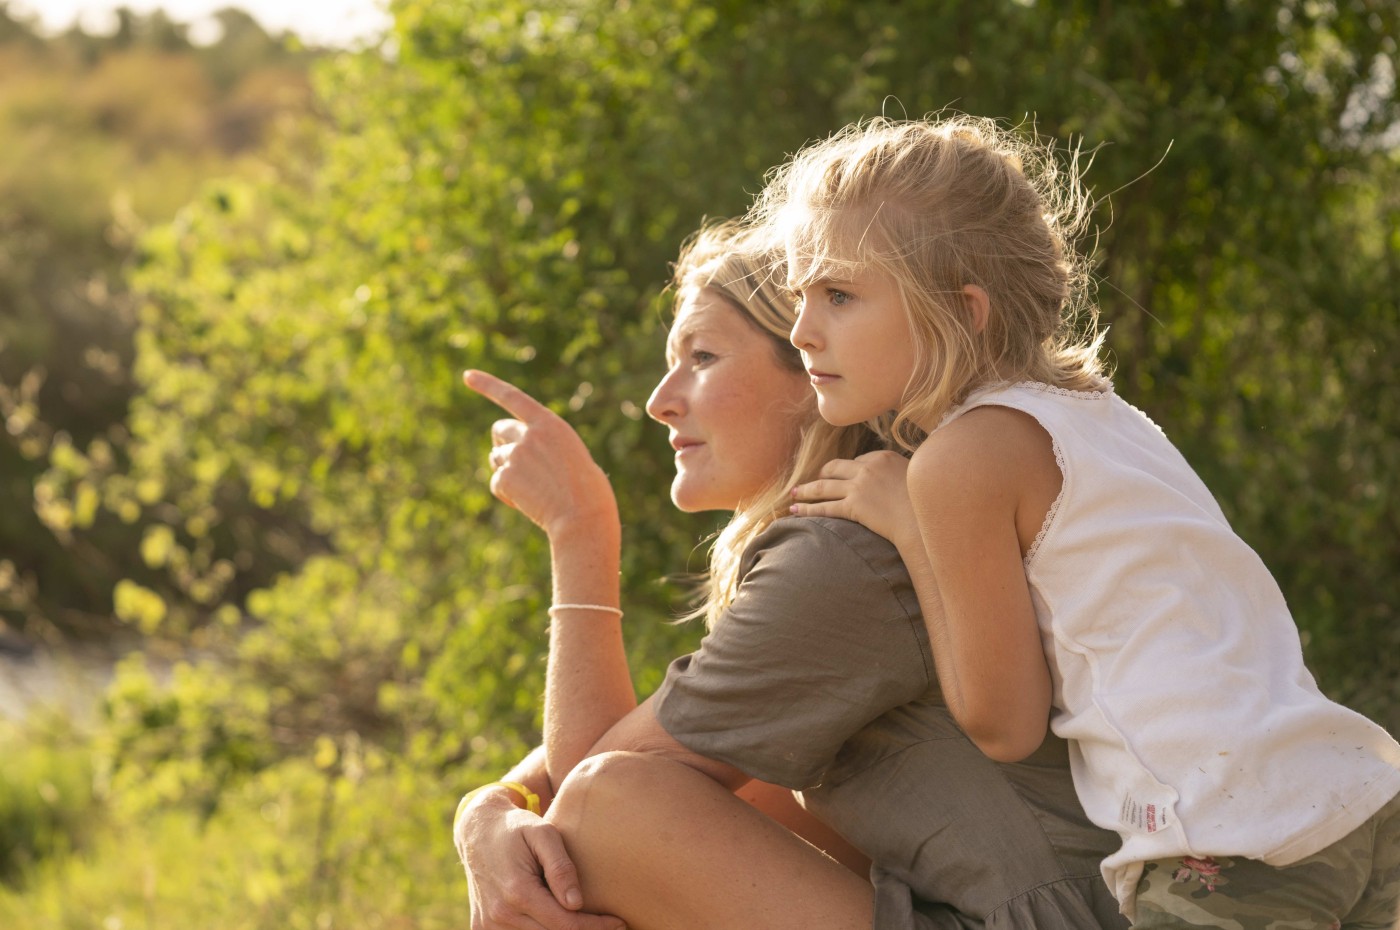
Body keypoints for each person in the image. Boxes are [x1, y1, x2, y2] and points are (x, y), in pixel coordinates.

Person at [770, 114, 1400, 929]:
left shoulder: (960, 463)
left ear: (964, 310)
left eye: (840, 294)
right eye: (799, 296)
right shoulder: (1110, 419)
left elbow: (1003, 723)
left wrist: (912, 530)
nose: (800, 330)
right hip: (1352, 795)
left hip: (1224, 844)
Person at [453, 221, 1130, 929]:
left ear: (812, 375)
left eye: (703, 356)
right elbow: (651, 754)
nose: (661, 399)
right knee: (708, 803)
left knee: (614, 808)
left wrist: (580, 533)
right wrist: (486, 808)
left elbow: (582, 815)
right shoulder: (867, 532)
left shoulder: (844, 559)